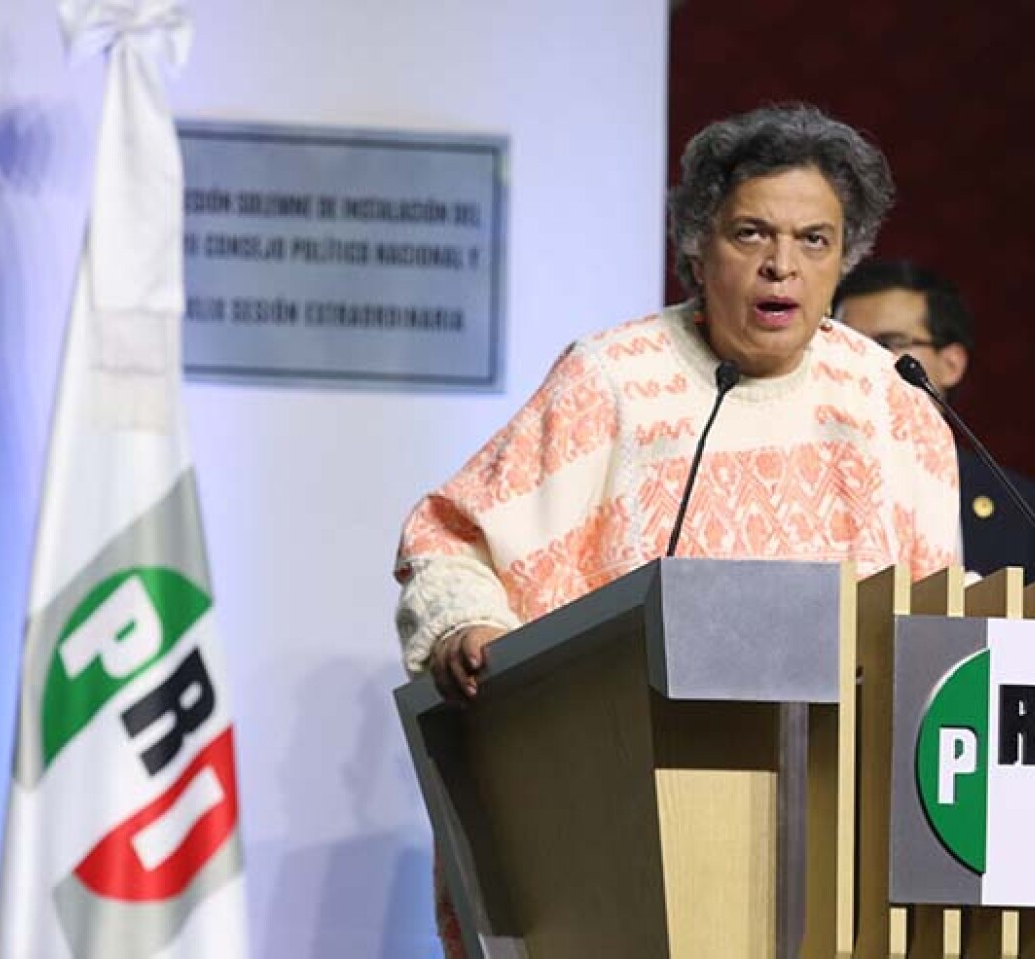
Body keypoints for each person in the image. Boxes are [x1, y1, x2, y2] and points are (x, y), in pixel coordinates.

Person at [393, 104, 960, 958]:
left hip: (846, 839)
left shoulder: (891, 402)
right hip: (627, 828)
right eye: (751, 234)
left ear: (846, 258)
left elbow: (939, 630)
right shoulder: (612, 380)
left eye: (815, 241)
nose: (782, 267)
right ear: (697, 246)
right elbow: (448, 540)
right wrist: (467, 626)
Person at [833, 257, 1035, 582]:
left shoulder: (1014, 502)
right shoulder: (803, 480)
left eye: (887, 344)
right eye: (845, 343)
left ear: (951, 364)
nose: (861, 361)